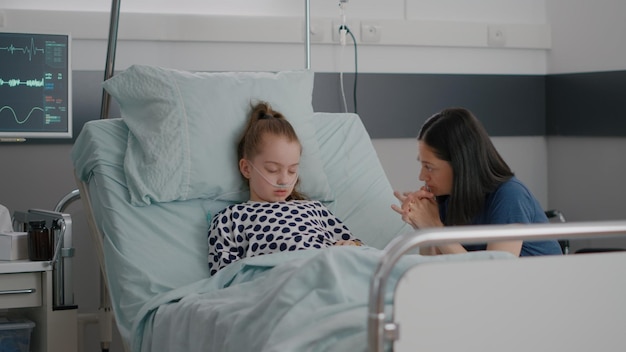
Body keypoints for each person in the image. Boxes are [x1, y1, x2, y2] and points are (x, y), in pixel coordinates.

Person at [208, 101, 362, 276]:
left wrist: (350, 246)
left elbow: (358, 247)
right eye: (272, 170)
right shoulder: (230, 219)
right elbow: (223, 279)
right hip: (283, 281)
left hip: (333, 270)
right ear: (246, 168)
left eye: (292, 170)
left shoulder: (314, 208)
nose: (284, 180)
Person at [391, 107, 562, 257]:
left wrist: (435, 229)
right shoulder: (447, 199)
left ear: (460, 164)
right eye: (422, 165)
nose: (422, 176)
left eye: (429, 167)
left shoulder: (510, 197)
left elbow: (492, 277)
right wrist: (424, 228)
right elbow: (433, 269)